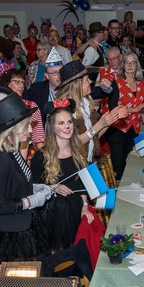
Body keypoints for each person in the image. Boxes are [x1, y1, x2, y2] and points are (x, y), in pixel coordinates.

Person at [0, 93, 59, 263]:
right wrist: (30, 201)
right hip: (10, 236)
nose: (30, 130)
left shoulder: (13, 150)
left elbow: (15, 185)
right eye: (26, 126)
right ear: (13, 129)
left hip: (22, 225)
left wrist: (35, 188)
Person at [30, 98, 100, 253]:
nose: (67, 127)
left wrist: (85, 207)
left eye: (69, 122)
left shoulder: (78, 151)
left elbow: (82, 186)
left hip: (76, 208)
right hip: (51, 213)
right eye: (61, 123)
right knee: (58, 255)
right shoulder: (41, 156)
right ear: (52, 127)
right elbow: (32, 188)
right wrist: (53, 188)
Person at [102, 52, 144, 180]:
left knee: (129, 161)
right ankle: (117, 188)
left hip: (134, 128)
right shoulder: (116, 82)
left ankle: (128, 186)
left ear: (137, 65)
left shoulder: (141, 84)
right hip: (118, 127)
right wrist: (134, 109)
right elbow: (113, 107)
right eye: (127, 62)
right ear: (123, 65)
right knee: (118, 165)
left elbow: (142, 104)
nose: (130, 65)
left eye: (133, 62)